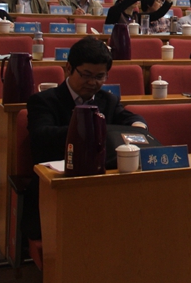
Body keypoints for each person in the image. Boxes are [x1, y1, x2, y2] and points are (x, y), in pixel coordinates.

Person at [24, 37, 148, 239]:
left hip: (102, 183)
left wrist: (139, 128)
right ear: (69, 68)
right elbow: (41, 136)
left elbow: (131, 119)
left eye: (100, 76)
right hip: (58, 183)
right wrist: (89, 130)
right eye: (86, 75)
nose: (93, 83)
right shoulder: (44, 101)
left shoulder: (108, 99)